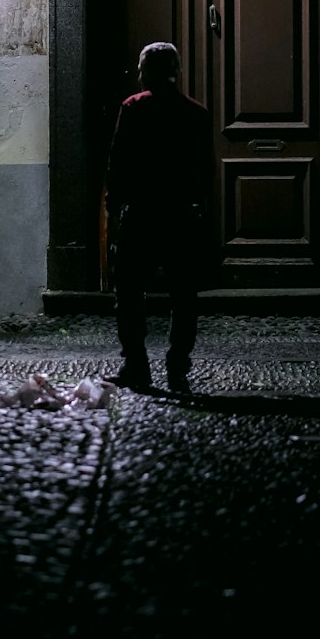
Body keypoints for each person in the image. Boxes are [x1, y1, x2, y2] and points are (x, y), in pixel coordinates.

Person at [104, 41, 215, 392]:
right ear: (176, 71)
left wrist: (112, 209)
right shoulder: (196, 113)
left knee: (130, 294)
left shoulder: (134, 109)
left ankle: (136, 365)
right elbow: (206, 169)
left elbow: (117, 164)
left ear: (145, 72)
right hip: (180, 216)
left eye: (141, 70)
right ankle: (177, 367)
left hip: (141, 215)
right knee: (183, 296)